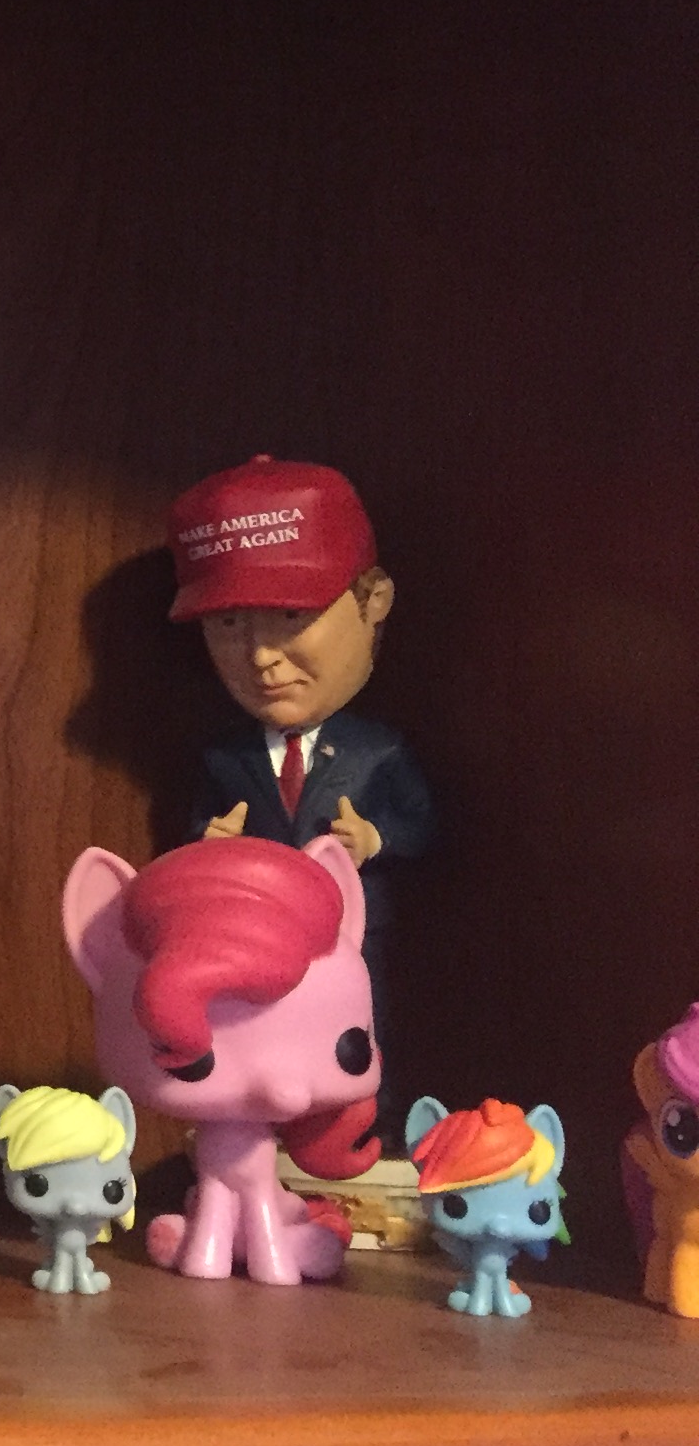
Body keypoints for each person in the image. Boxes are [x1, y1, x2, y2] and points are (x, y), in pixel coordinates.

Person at [168, 454, 436, 1136]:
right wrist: (209, 848)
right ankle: (268, 1128)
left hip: (354, 931)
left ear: (374, 601)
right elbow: (199, 826)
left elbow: (423, 825)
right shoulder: (226, 757)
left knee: (360, 1032)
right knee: (260, 1032)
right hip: (255, 938)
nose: (261, 656)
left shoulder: (377, 751)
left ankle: (362, 1129)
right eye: (229, 625)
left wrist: (377, 839)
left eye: (291, 614)